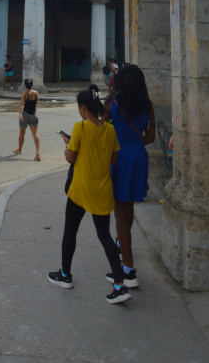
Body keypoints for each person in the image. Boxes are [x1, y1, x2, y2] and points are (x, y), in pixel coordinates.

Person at [47, 87, 130, 304]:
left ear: (83, 108)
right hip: (102, 191)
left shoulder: (81, 127)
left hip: (80, 190)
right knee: (105, 237)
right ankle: (120, 285)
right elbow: (114, 160)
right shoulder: (110, 130)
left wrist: (68, 144)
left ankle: (65, 275)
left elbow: (70, 158)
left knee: (70, 232)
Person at [104, 63, 155, 289]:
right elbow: (151, 136)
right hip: (138, 157)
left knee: (119, 214)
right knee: (129, 209)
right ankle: (122, 246)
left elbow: (99, 130)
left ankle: (128, 269)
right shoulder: (147, 105)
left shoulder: (112, 104)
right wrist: (134, 144)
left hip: (120, 158)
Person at [13, 78, 41, 160]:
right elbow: (35, 103)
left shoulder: (24, 93)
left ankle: (20, 150)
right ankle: (38, 152)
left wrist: (20, 114)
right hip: (34, 116)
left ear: (25, 85)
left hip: (25, 115)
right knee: (35, 134)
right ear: (32, 85)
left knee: (22, 134)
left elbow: (22, 104)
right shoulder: (36, 93)